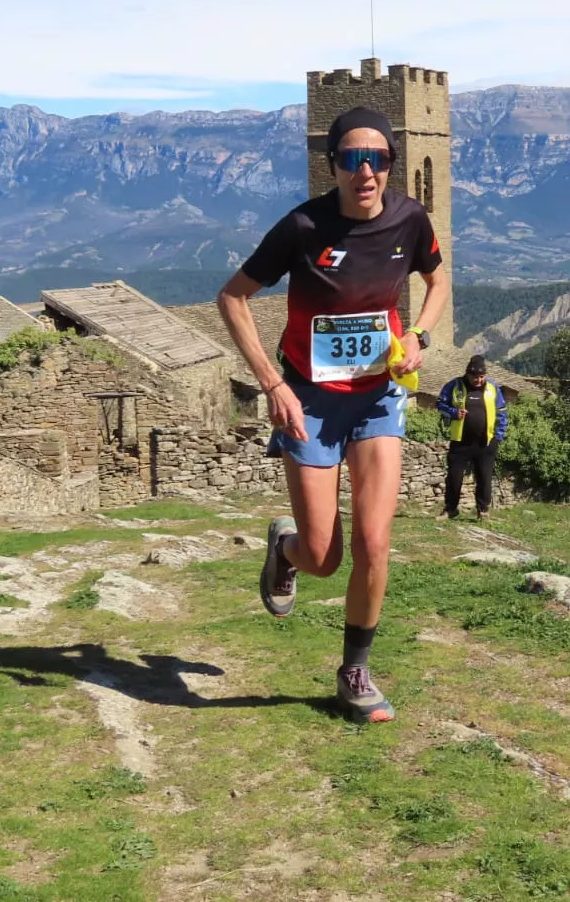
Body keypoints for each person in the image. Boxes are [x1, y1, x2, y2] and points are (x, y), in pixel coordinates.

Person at [216, 106, 450, 725]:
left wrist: (421, 337)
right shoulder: (301, 227)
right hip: (310, 401)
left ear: (392, 166)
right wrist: (273, 384)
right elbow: (232, 296)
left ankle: (355, 671)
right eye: (351, 158)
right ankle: (286, 550)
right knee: (326, 557)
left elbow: (438, 279)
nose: (365, 170)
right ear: (334, 166)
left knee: (375, 542)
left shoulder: (409, 218)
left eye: (377, 159)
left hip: (377, 396)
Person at [437, 355, 508, 520]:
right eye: (475, 377)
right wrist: (454, 412)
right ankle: (450, 510)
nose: (478, 380)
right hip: (460, 441)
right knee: (454, 477)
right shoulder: (455, 386)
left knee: (484, 478)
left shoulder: (493, 388)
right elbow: (440, 404)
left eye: (481, 377)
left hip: (486, 442)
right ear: (468, 374)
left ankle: (483, 511)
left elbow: (502, 412)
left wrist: (498, 436)